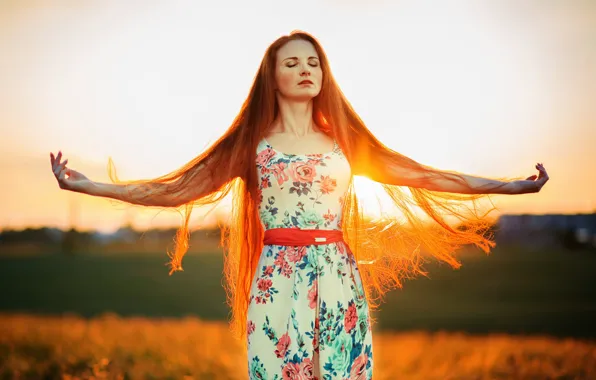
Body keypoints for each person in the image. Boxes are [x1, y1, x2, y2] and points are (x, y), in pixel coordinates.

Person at [49, 30, 549, 379]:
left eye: (313, 62)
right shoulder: (251, 145)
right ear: (272, 78)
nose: (305, 69)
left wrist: (509, 187)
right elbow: (174, 190)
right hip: (278, 278)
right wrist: (90, 187)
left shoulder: (346, 142)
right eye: (292, 62)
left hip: (337, 273)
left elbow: (424, 174)